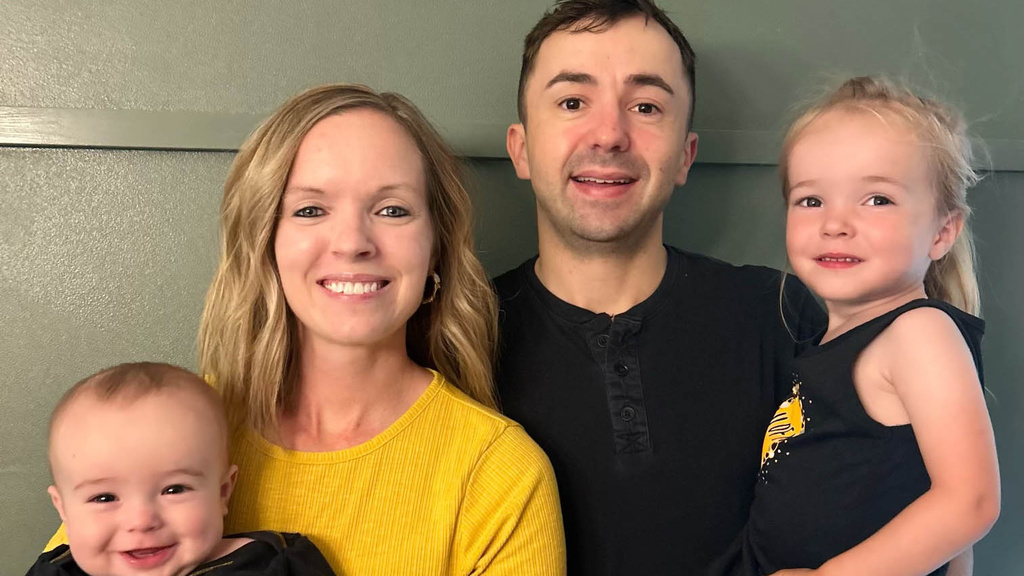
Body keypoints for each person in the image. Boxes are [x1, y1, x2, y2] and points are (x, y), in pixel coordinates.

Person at [496, 1, 823, 574]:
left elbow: (895, 490)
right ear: (521, 149)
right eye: (573, 102)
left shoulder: (780, 315)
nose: (609, 135)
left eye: (646, 107)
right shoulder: (457, 335)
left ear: (685, 157)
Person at [195, 84, 564, 574]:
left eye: (392, 210)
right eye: (310, 210)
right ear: (265, 240)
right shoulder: (183, 431)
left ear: (436, 245)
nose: (352, 243)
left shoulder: (498, 473)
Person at [738, 77, 1000, 576]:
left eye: (877, 199)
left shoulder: (919, 333)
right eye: (811, 200)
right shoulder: (831, 342)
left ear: (942, 232)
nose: (835, 223)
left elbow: (970, 502)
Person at [31, 362, 334, 576]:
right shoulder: (57, 570)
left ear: (223, 491)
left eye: (174, 489)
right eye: (104, 498)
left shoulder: (274, 566)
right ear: (63, 508)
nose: (141, 521)